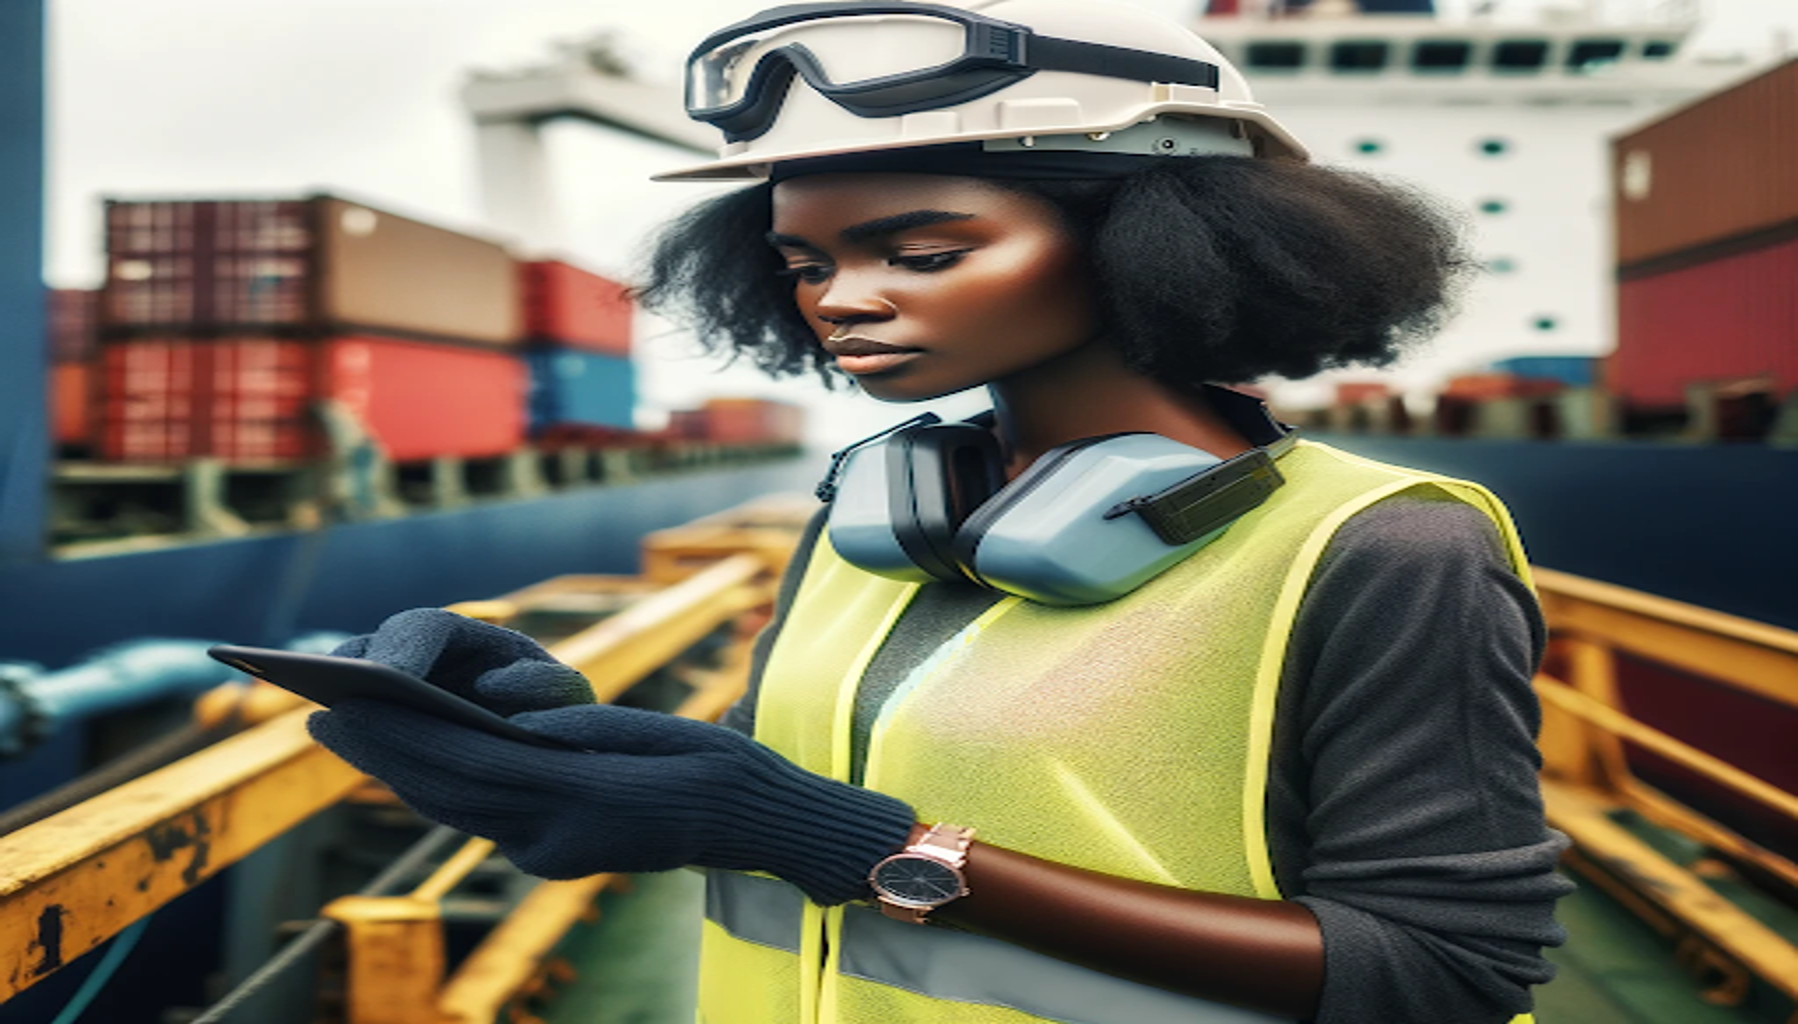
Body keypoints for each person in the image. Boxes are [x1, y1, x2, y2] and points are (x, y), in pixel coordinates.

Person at [307, 3, 1573, 1022]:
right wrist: (558, 738)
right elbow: (779, 796)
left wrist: (869, 849)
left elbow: (1440, 972)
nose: (838, 300)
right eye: (805, 263)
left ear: (1158, 237)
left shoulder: (1387, 547)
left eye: (919, 253)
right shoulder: (877, 509)